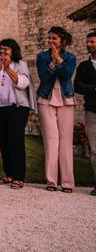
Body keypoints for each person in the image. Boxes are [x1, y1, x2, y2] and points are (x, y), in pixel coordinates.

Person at [0, 38, 34, 189]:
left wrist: (7, 69)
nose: (2, 51)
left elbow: (23, 83)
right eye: (0, 49)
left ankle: (19, 177)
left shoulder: (20, 65)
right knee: (3, 141)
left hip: (17, 108)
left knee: (16, 141)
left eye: (6, 49)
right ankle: (9, 174)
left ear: (13, 51)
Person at [36, 26, 77, 193]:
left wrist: (59, 60)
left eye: (54, 38)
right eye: (49, 38)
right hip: (46, 99)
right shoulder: (42, 56)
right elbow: (43, 76)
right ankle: (51, 181)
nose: (50, 41)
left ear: (62, 41)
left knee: (65, 142)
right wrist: (52, 63)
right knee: (51, 140)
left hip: (66, 100)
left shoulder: (70, 57)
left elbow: (67, 75)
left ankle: (67, 182)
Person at [74, 30, 96, 196]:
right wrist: (93, 89)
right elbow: (78, 86)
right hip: (92, 110)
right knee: (94, 149)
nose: (89, 45)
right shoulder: (83, 66)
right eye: (88, 42)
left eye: (92, 42)